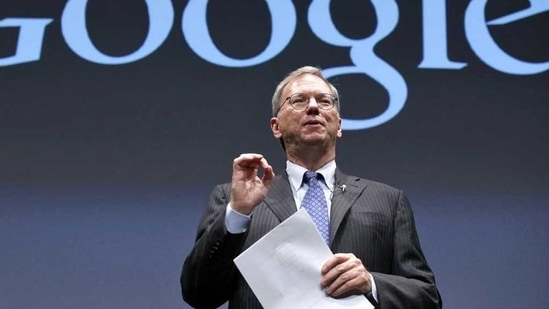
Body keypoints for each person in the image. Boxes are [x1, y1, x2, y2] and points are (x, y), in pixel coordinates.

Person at [180, 66, 442, 308]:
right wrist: (237, 214)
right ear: (276, 127)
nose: (314, 107)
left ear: (338, 125)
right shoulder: (234, 199)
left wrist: (371, 283)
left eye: (324, 101)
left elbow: (427, 297)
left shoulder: (387, 200)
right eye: (299, 101)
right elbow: (198, 294)